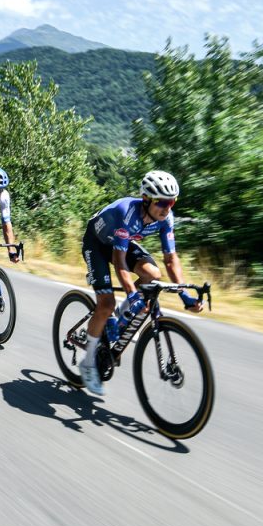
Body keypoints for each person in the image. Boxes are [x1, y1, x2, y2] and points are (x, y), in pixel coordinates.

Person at [78, 169, 203, 397]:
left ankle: (121, 314)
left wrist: (185, 295)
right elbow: (119, 262)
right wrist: (132, 294)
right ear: (146, 199)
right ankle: (87, 364)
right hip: (96, 244)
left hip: (122, 243)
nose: (167, 208)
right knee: (105, 304)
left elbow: (170, 259)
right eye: (162, 202)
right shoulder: (126, 213)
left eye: (171, 202)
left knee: (153, 275)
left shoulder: (166, 219)